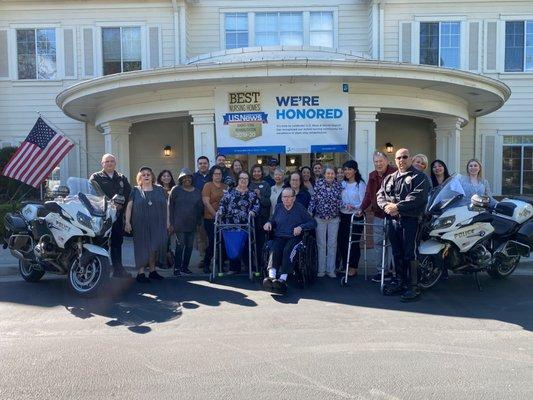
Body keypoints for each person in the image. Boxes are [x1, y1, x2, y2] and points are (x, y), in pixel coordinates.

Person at [377, 148, 430, 302]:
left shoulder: (419, 177)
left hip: (411, 221)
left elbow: (417, 197)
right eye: (399, 157)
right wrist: (386, 207)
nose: (402, 160)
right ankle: (400, 282)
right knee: (397, 252)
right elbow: (380, 195)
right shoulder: (389, 178)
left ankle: (413, 286)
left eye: (405, 157)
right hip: (393, 221)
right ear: (395, 160)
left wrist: (397, 207)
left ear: (410, 158)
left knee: (410, 253)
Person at [262, 188, 317, 293]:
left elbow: (313, 222)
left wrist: (301, 227)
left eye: (288, 197)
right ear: (281, 198)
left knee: (288, 250)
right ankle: (271, 278)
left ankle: (282, 279)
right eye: (284, 197)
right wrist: (268, 223)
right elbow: (272, 220)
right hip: (279, 236)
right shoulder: (278, 207)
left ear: (294, 198)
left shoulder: (300, 208)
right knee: (275, 249)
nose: (286, 199)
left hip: (294, 238)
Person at [89, 153, 132, 278]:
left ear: (115, 163)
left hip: (118, 215)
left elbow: (128, 194)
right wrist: (112, 204)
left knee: (117, 242)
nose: (109, 163)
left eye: (111, 161)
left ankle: (118, 270)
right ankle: (99, 270)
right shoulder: (96, 177)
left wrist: (121, 206)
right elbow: (96, 193)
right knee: (100, 242)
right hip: (101, 216)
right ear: (102, 163)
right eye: (106, 161)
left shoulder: (121, 177)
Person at [124, 166, 168, 283]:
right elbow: (129, 207)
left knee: (153, 248)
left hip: (156, 223)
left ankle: (153, 271)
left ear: (152, 176)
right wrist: (127, 222)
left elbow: (166, 207)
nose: (146, 176)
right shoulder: (135, 190)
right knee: (141, 248)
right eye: (143, 174)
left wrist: (168, 222)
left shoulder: (159, 189)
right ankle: (141, 273)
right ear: (140, 177)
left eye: (148, 174)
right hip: (139, 223)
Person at [360, 151, 397, 283]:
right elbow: (369, 195)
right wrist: (361, 208)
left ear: (386, 161)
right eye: (376, 162)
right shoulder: (372, 175)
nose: (378, 164)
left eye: (381, 161)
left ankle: (394, 272)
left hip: (393, 216)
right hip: (378, 215)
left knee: (392, 244)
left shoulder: (395, 173)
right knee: (377, 244)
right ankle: (381, 271)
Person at [218, 171, 260, 273]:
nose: (244, 181)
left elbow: (257, 206)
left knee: (246, 246)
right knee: (232, 246)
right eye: (242, 178)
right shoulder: (230, 192)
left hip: (245, 225)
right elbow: (222, 204)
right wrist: (220, 211)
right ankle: (234, 269)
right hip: (230, 225)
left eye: (246, 179)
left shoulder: (252, 194)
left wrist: (253, 212)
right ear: (238, 180)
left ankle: (248, 267)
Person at [308, 166, 343, 278]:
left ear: (335, 175)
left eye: (332, 173)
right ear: (324, 174)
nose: (330, 175)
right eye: (328, 173)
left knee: (332, 244)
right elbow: (313, 199)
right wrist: (309, 212)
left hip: (334, 218)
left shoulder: (338, 185)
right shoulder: (318, 184)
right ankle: (321, 270)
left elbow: (340, 201)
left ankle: (330, 270)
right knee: (321, 245)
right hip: (320, 218)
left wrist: (349, 207)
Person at [168, 168, 204, 276]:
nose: (187, 179)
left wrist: (199, 223)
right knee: (180, 246)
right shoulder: (176, 189)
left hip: (192, 223)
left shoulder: (197, 191)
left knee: (189, 247)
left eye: (189, 177)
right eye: (184, 178)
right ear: (180, 179)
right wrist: (170, 223)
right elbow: (170, 206)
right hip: (179, 223)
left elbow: (200, 208)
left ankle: (185, 267)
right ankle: (177, 268)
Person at [338, 160, 367, 277]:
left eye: (349, 169)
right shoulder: (342, 184)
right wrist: (344, 206)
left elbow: (363, 201)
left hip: (356, 216)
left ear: (355, 170)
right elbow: (338, 199)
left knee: (353, 242)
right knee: (342, 241)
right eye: (345, 169)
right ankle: (345, 265)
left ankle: (353, 267)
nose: (347, 171)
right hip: (343, 216)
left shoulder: (360, 184)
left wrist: (354, 207)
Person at [202, 166, 228, 273]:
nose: (218, 176)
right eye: (216, 174)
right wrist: (215, 214)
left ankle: (220, 264)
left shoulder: (225, 186)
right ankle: (206, 263)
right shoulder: (208, 186)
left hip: (224, 219)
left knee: (222, 242)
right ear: (212, 175)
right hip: (210, 218)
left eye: (220, 174)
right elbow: (206, 202)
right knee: (213, 242)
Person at [249, 164, 272, 260]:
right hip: (251, 218)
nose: (256, 173)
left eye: (258, 171)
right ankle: (250, 265)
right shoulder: (249, 184)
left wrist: (259, 195)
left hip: (262, 218)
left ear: (262, 172)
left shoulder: (266, 184)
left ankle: (261, 263)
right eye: (254, 171)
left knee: (261, 242)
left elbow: (268, 203)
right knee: (250, 242)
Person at [192, 156, 210, 268]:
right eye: (200, 163)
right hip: (199, 212)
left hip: (212, 211)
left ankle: (215, 258)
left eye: (205, 163)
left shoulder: (213, 175)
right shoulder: (193, 177)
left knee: (212, 236)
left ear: (208, 164)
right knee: (201, 237)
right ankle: (204, 258)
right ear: (197, 165)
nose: (203, 165)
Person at [156, 169, 176, 268]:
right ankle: (158, 261)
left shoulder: (175, 189)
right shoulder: (156, 189)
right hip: (158, 218)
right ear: (160, 178)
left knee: (167, 241)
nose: (166, 177)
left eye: (168, 176)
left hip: (171, 219)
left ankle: (166, 261)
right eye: (164, 176)